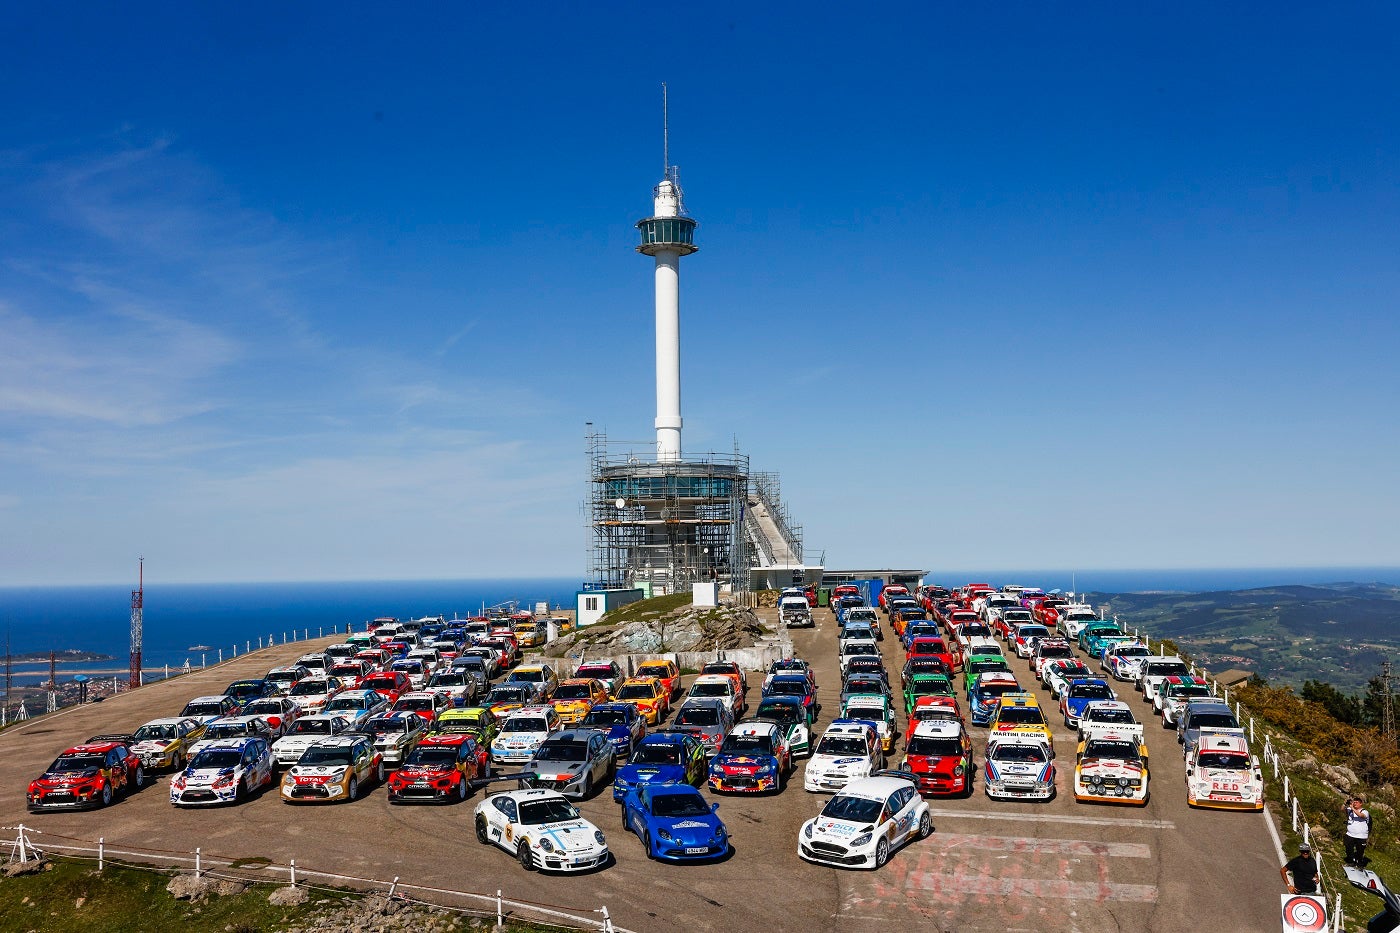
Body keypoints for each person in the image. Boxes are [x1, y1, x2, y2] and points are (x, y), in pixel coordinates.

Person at [1345, 794, 1373, 866]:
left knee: (1360, 851)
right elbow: (1342, 809)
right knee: (1348, 848)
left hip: (1361, 836)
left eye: (1357, 802)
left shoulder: (1365, 811)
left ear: (1361, 804)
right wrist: (1345, 803)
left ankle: (1360, 864)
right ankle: (1350, 861)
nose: (1355, 803)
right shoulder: (1350, 810)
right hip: (1350, 834)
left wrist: (1353, 808)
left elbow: (1361, 816)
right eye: (1354, 802)